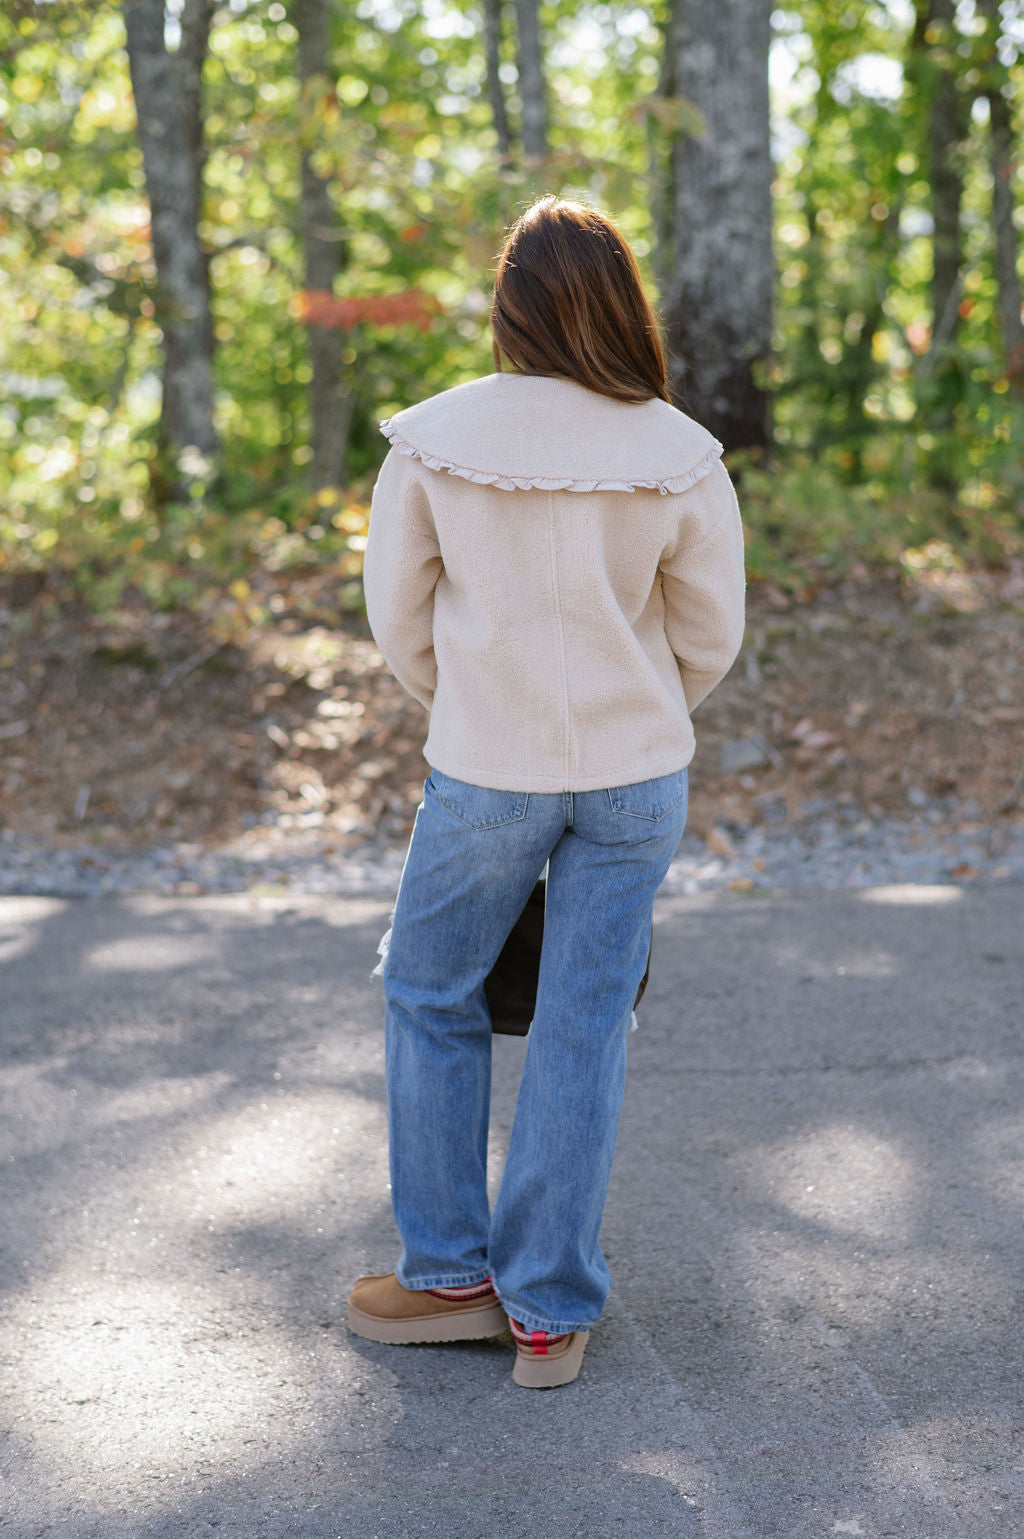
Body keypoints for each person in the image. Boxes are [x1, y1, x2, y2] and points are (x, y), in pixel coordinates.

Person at [347, 196, 745, 1389]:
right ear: (626, 302)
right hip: (636, 778)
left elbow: (397, 619)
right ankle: (548, 1312)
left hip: (488, 766)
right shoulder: (676, 449)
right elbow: (709, 635)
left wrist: (470, 702)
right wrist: (642, 705)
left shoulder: (435, 441)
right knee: (583, 1022)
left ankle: (448, 1277)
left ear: (507, 303)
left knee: (429, 990)